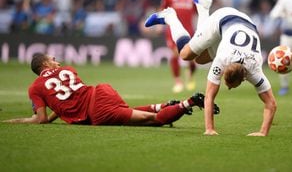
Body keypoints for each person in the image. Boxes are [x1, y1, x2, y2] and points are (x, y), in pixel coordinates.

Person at [145, 0, 277, 136]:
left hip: (244, 24)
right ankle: (170, 16)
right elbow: (209, 96)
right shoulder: (224, 60)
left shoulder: (254, 68)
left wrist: (263, 132)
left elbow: (271, 104)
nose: (229, 88)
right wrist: (209, 129)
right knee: (185, 54)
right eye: (230, 85)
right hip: (222, 20)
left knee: (200, 60)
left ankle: (202, 7)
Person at [4, 53, 218, 126]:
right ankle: (164, 105)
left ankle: (188, 102)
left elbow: (40, 118)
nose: (57, 62)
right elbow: (70, 97)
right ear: (44, 65)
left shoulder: (35, 87)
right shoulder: (68, 69)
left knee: (151, 120)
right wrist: (57, 113)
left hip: (97, 111)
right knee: (130, 112)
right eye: (53, 60)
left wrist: (18, 120)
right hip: (102, 91)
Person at [159, 0, 197, 93]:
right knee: (175, 54)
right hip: (172, 30)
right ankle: (178, 81)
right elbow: (162, 10)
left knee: (190, 57)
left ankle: (190, 76)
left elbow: (199, 13)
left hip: (189, 29)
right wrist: (159, 24)